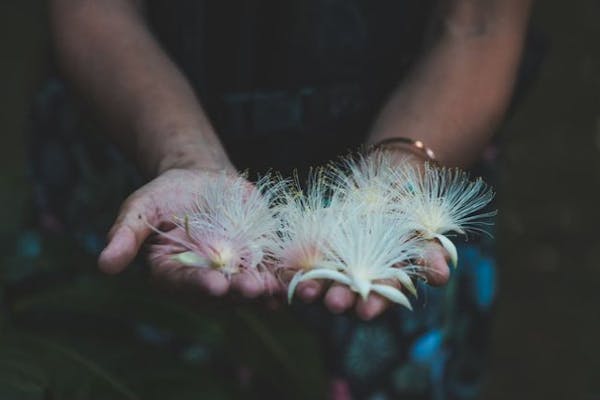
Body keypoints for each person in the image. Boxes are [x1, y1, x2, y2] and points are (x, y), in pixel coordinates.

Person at [41, 0, 533, 398]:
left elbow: (481, 21)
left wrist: (403, 168)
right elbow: (93, 9)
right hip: (132, 144)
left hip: (426, 120)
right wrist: (181, 154)